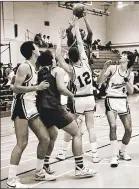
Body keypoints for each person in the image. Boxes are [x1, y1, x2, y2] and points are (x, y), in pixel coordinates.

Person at [36, 50, 97, 178]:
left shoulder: (40, 72)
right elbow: (61, 89)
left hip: (42, 109)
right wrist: (72, 95)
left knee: (52, 135)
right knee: (77, 133)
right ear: (52, 60)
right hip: (54, 107)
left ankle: (44, 165)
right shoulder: (57, 70)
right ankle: (80, 167)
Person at [7, 41, 56, 188]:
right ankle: (11, 180)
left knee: (45, 138)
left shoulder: (34, 67)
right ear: (33, 51)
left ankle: (39, 172)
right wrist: (38, 87)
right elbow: (16, 88)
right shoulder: (24, 66)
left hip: (31, 107)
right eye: (36, 46)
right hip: (20, 107)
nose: (38, 48)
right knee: (22, 143)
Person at [57, 19, 100, 163]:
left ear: (69, 57)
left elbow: (57, 56)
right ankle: (95, 154)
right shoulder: (86, 63)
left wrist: (60, 39)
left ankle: (63, 151)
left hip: (78, 100)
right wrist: (77, 26)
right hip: (90, 98)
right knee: (91, 127)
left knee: (72, 126)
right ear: (81, 55)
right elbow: (81, 43)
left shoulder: (70, 70)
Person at [97, 52, 136, 167]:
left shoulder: (130, 73)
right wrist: (104, 68)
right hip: (111, 99)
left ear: (128, 60)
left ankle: (122, 152)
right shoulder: (112, 68)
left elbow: (131, 92)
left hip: (122, 101)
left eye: (123, 55)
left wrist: (127, 80)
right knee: (113, 126)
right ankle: (114, 156)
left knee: (129, 130)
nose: (121, 56)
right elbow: (99, 81)